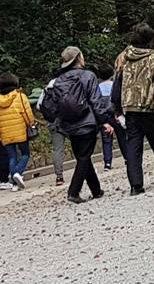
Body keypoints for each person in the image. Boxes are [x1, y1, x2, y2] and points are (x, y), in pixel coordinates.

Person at [112, 24, 154, 195]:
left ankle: (136, 185)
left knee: (133, 146)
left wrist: (118, 107)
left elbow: (117, 82)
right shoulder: (153, 58)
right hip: (149, 108)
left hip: (130, 107)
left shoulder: (123, 57)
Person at [41, 46, 113, 204]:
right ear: (79, 58)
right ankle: (73, 192)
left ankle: (96, 190)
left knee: (83, 157)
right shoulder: (88, 76)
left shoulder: (59, 80)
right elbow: (95, 101)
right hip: (87, 123)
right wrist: (104, 120)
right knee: (84, 158)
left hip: (69, 125)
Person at [0, 73, 35, 191]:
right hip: (20, 131)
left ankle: (14, 183)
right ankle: (17, 174)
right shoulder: (20, 96)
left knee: (12, 157)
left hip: (5, 133)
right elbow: (27, 112)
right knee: (25, 154)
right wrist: (31, 123)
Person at [94, 63, 125, 169]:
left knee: (106, 140)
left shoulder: (97, 88)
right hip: (115, 115)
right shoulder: (114, 85)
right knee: (122, 137)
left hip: (104, 117)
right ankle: (127, 158)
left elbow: (97, 103)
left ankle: (107, 163)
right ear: (112, 73)